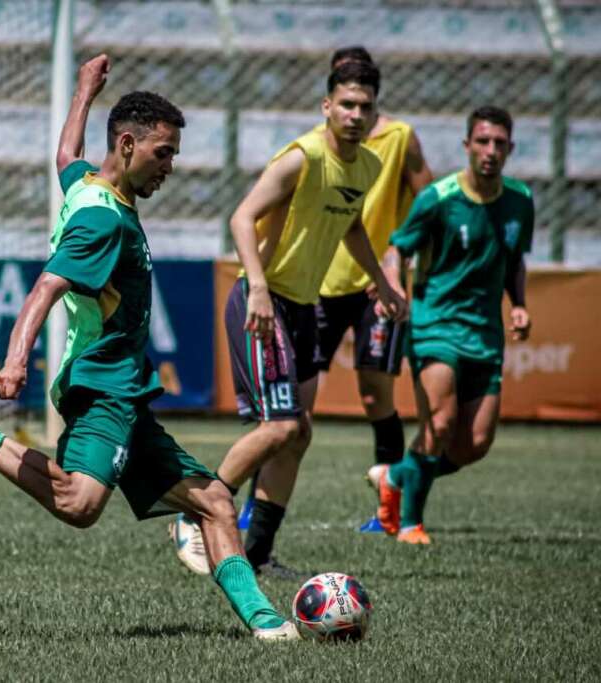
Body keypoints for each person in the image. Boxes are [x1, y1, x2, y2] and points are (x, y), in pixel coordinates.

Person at [0, 54, 299, 641]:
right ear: (126, 145)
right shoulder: (102, 222)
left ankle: (269, 626)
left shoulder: (88, 185)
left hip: (125, 388)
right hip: (103, 386)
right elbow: (47, 284)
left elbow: (66, 157)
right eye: (162, 152)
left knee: (216, 502)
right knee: (78, 504)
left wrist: (83, 92)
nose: (171, 165)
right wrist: (15, 360)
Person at [169, 61, 407, 578]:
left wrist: (383, 282)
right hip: (265, 301)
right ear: (327, 107)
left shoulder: (366, 166)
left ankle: (257, 553)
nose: (356, 114)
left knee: (298, 433)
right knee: (279, 427)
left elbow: (352, 229)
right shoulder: (304, 157)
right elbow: (241, 216)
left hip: (304, 308)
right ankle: (195, 512)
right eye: (347, 104)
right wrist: (256, 285)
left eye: (365, 107)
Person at [370, 106, 532, 545]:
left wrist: (518, 304)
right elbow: (397, 247)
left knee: (473, 445)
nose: (491, 151)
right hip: (434, 325)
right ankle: (410, 524)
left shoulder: (520, 200)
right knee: (439, 425)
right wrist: (392, 286)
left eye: (500, 143)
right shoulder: (439, 199)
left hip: (485, 335)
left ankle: (396, 477)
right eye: (483, 141)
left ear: (510, 149)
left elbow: (515, 259)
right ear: (467, 146)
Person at [313, 47, 434, 534]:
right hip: (319, 282)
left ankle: (390, 511)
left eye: (362, 96)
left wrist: (399, 258)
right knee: (294, 401)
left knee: (374, 396)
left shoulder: (401, 139)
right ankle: (258, 510)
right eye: (344, 90)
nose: (355, 109)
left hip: (375, 287)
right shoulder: (321, 147)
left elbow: (429, 201)